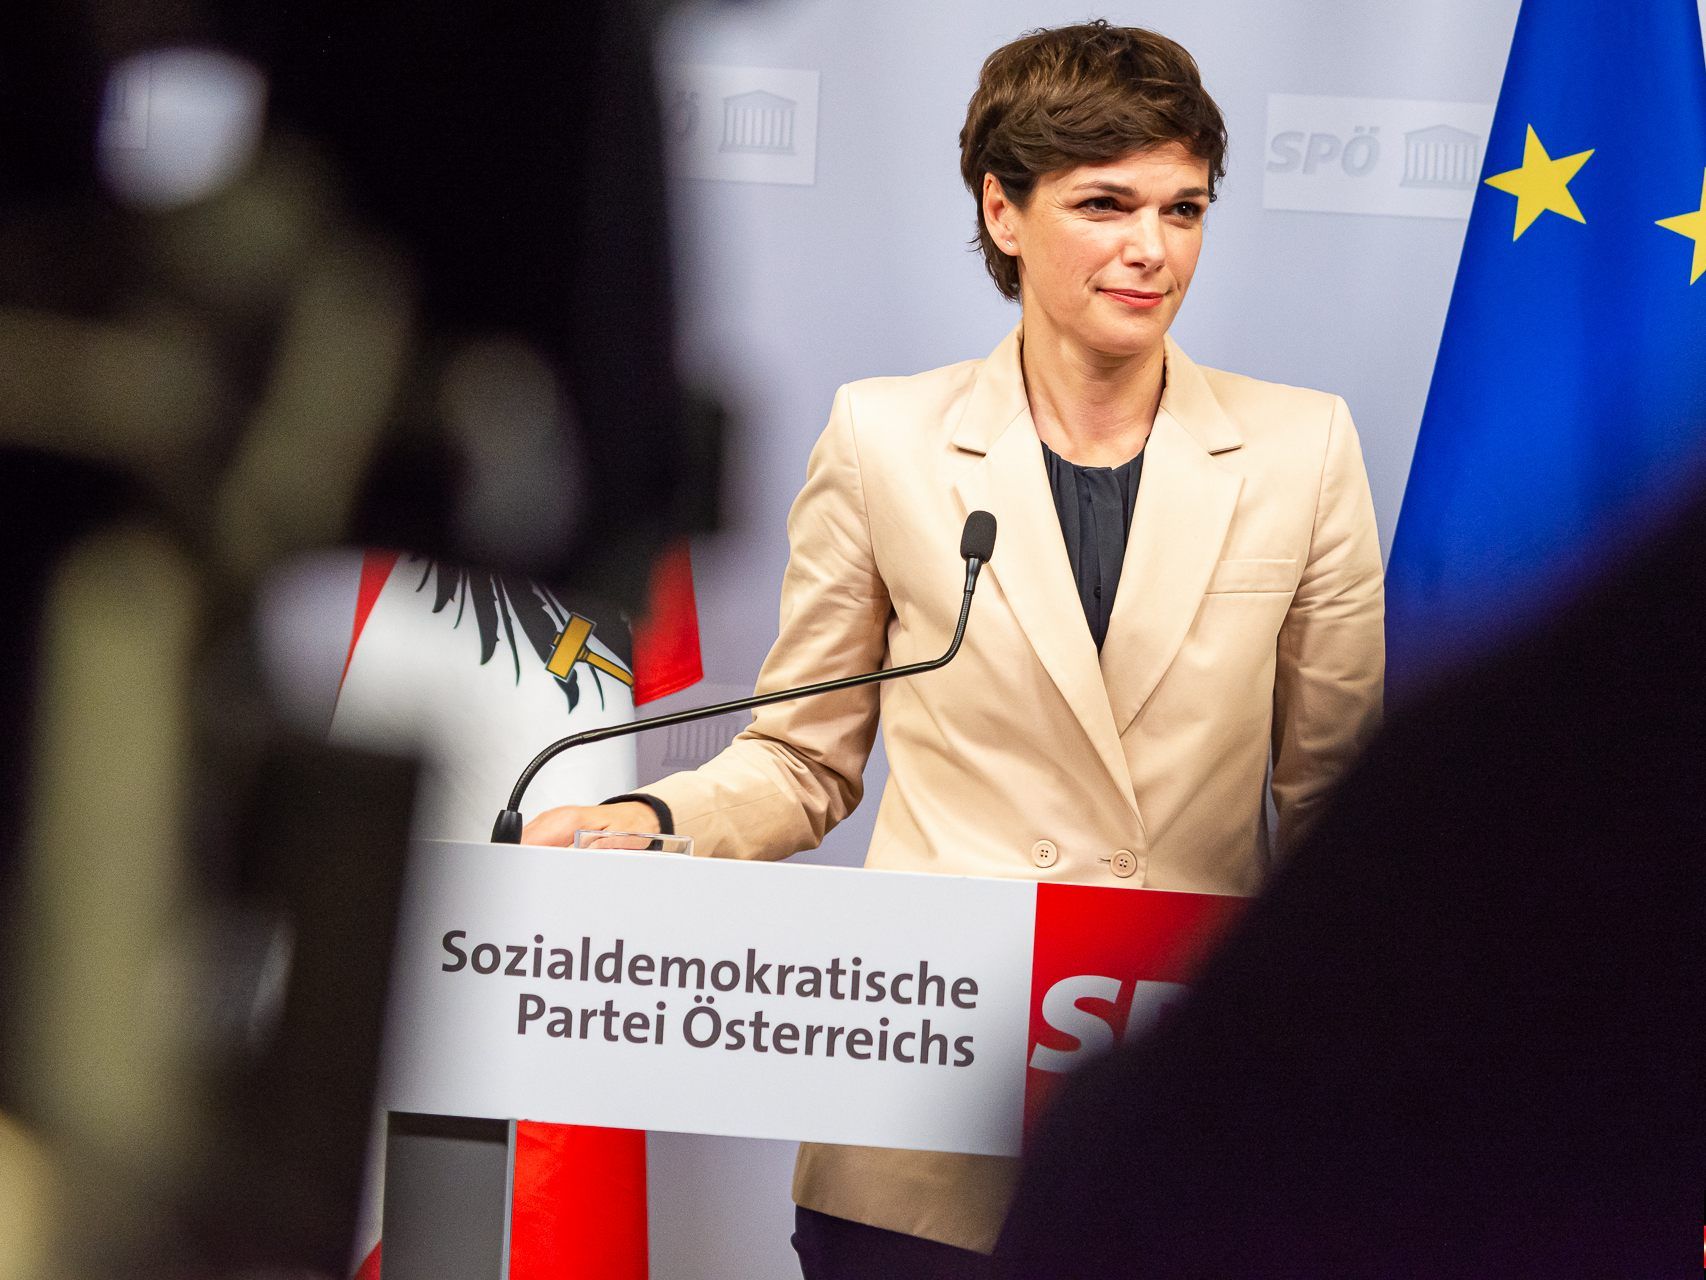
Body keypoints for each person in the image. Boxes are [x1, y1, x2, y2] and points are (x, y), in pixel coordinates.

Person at [524, 20, 1385, 1277]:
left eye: (1182, 209)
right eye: (1104, 204)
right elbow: (803, 758)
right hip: (924, 1131)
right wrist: (654, 823)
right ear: (1002, 209)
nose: (1152, 249)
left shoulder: (1303, 448)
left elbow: (1334, 802)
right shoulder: (883, 438)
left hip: (1177, 1111)